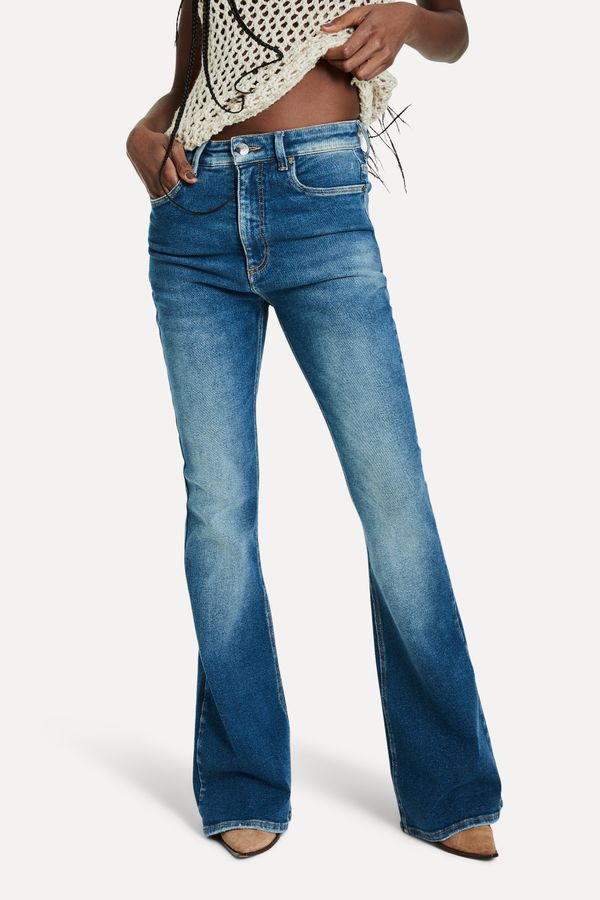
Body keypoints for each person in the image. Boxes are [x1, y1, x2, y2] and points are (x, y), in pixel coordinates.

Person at [126, 0, 503, 861]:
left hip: (317, 194)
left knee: (395, 502)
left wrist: (407, 19)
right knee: (219, 512)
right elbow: (197, 79)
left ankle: (448, 788)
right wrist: (141, 133)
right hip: (192, 211)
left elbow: (453, 31)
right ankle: (244, 779)